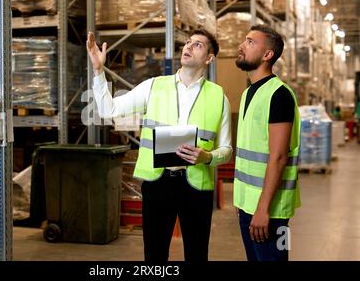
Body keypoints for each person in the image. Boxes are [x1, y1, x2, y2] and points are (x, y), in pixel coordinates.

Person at [87, 29, 232, 262]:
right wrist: (98, 71)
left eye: (198, 45)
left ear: (209, 58)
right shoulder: (153, 86)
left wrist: (206, 157)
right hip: (158, 182)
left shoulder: (218, 97)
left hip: (196, 186)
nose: (188, 47)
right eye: (187, 43)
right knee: (154, 255)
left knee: (197, 253)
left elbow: (226, 150)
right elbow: (108, 110)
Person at [233, 25, 301, 261]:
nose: (242, 45)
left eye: (250, 42)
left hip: (272, 211)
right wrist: (242, 204)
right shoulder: (248, 93)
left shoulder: (279, 94)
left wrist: (263, 209)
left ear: (267, 55)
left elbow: (279, 156)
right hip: (247, 205)